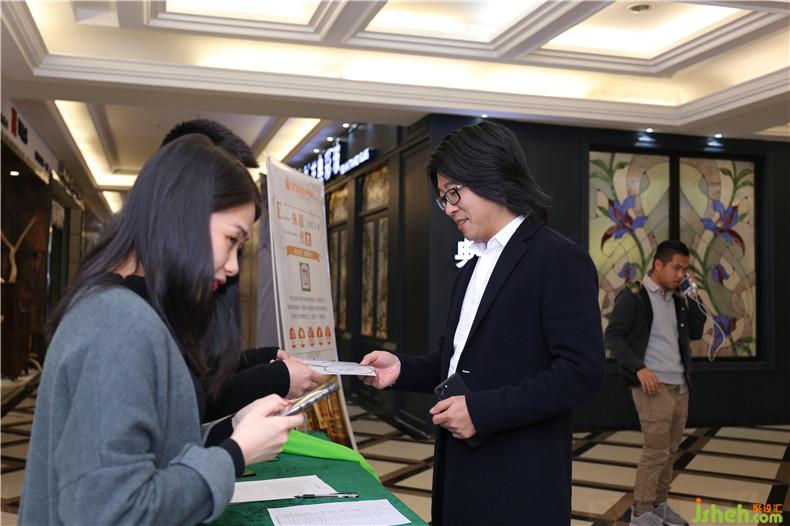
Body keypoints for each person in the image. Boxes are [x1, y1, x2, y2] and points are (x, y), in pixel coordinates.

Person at [20, 134, 304, 525]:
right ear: (183, 216)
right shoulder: (119, 323)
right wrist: (235, 453)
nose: (234, 266)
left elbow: (154, 454)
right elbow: (112, 512)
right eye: (231, 240)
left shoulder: (125, 311)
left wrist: (234, 430)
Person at [361, 121, 606, 525]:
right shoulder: (472, 267)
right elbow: (455, 360)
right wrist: (401, 368)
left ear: (493, 176)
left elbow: (581, 373)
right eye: (443, 198)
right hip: (459, 471)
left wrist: (481, 411)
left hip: (519, 480)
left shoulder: (558, 259)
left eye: (454, 193)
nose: (448, 208)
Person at [160, 119, 325, 436]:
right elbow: (184, 406)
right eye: (231, 240)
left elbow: (197, 386)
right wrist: (238, 446)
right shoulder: (128, 313)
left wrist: (261, 363)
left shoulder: (191, 291)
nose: (233, 267)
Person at [606, 240, 706, 526]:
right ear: (658, 264)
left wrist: (694, 295)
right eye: (676, 268)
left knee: (670, 452)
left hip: (680, 385)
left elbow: (696, 332)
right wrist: (639, 369)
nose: (681, 275)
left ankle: (659, 505)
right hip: (653, 385)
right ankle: (641, 512)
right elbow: (613, 336)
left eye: (685, 270)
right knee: (656, 452)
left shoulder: (679, 299)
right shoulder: (634, 297)